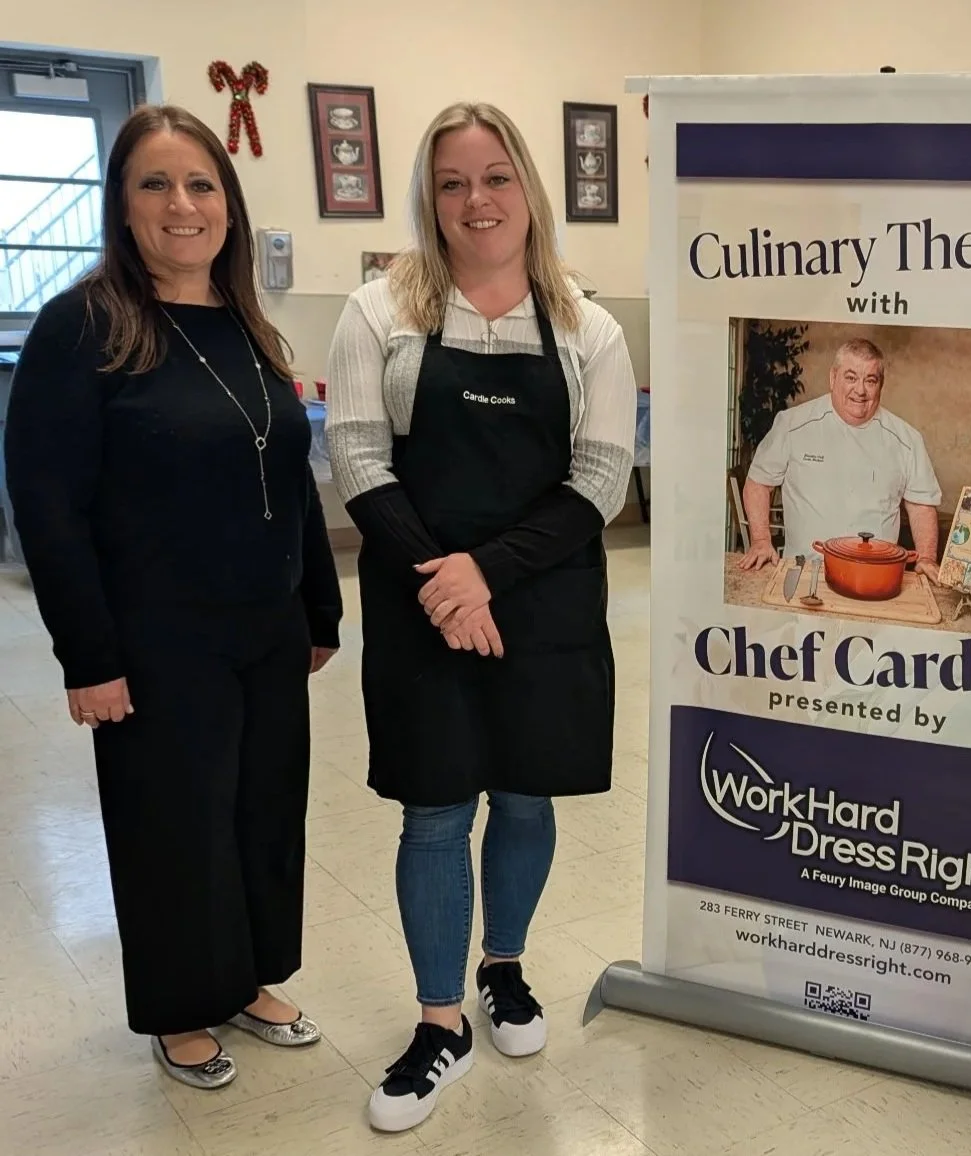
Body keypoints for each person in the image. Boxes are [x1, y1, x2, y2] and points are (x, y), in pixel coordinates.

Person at [3, 104, 342, 1089]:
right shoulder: (84, 326)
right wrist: (90, 656)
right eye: (155, 183)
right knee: (175, 826)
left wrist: (316, 605)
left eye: (200, 183)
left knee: (262, 813)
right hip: (156, 639)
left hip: (267, 629)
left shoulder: (244, 320)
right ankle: (183, 1003)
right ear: (122, 204)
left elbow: (288, 468)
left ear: (228, 206)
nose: (181, 204)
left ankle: (247, 977)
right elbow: (47, 503)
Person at [324, 101, 636, 1133]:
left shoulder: (589, 327)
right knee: (437, 809)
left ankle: (503, 965)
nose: (477, 200)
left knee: (527, 796)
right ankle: (439, 1021)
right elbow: (360, 459)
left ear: (527, 188)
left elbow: (602, 478)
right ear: (430, 197)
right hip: (423, 604)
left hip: (540, 604)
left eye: (495, 176)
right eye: (453, 182)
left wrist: (484, 576)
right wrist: (443, 584)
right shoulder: (381, 314)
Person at [738, 338, 943, 576]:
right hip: (804, 571)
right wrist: (761, 540)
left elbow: (921, 505)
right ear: (833, 378)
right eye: (851, 377)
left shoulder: (907, 440)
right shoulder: (792, 425)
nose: (861, 390)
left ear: (881, 385)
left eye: (870, 380)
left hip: (876, 576)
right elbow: (758, 484)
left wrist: (927, 557)